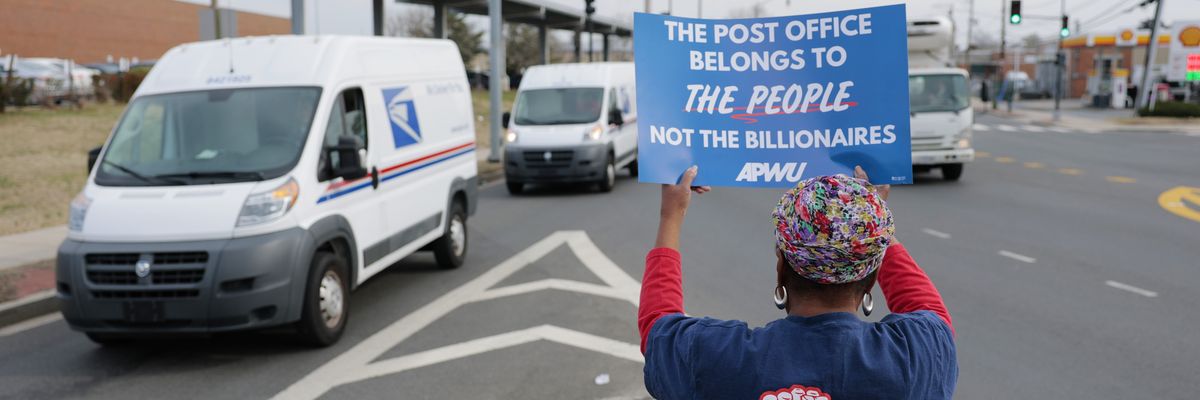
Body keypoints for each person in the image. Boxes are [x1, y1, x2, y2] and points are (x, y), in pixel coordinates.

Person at [638, 166, 957, 399]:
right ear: (872, 276)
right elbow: (930, 311)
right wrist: (869, 225)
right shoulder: (916, 356)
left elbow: (657, 328)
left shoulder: (720, 358)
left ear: (781, 268)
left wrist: (671, 216)